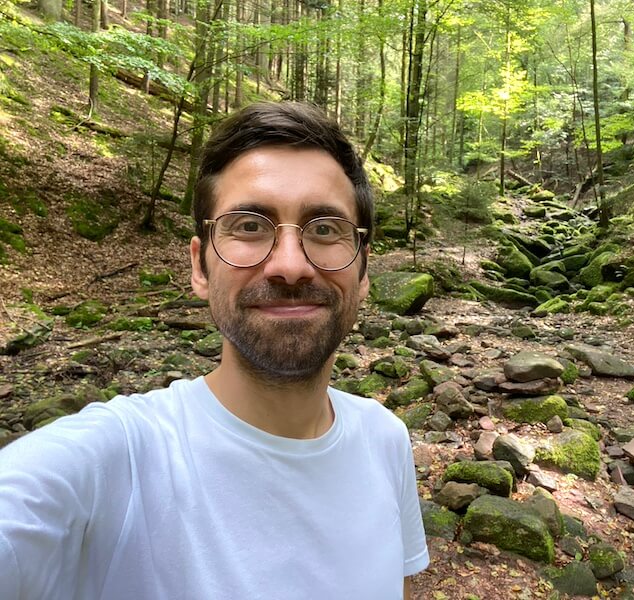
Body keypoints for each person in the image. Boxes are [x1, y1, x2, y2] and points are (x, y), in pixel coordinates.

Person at [0, 101, 429, 599]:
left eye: (325, 229)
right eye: (249, 226)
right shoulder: (113, 461)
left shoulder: (386, 440)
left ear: (363, 271)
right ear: (200, 267)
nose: (289, 266)